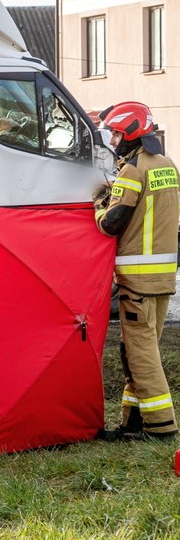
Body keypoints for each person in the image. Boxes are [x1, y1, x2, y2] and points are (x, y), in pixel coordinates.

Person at [92, 101, 179, 441]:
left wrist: (97, 207)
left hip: (137, 279)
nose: (113, 141)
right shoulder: (167, 165)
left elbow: (113, 224)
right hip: (162, 277)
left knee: (141, 355)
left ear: (130, 133)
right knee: (137, 351)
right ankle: (132, 423)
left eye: (115, 133)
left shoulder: (132, 170)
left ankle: (161, 427)